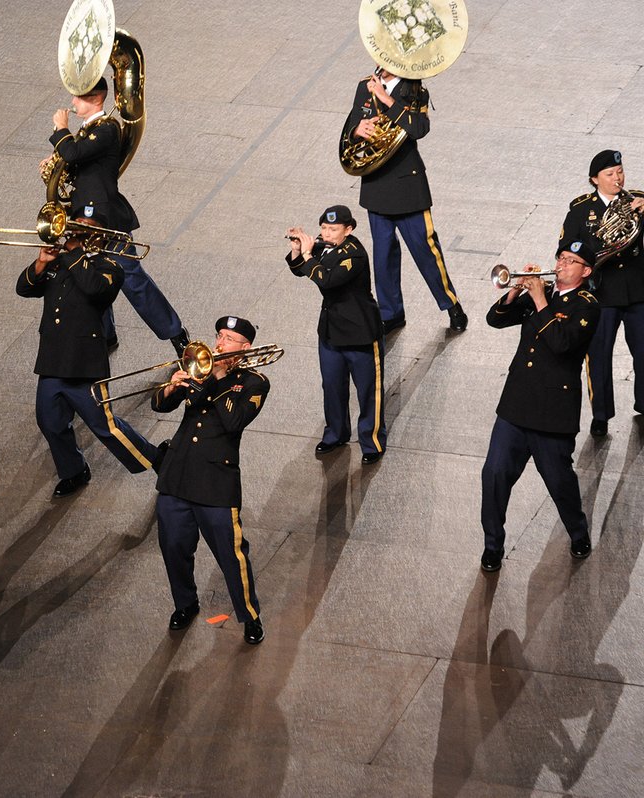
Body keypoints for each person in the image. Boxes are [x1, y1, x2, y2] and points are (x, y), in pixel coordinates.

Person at [479, 234, 601, 572]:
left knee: (559, 481)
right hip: (517, 405)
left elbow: (562, 345)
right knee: (494, 474)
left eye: (569, 261)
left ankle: (577, 533)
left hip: (552, 411)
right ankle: (492, 546)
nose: (560, 264)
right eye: (560, 258)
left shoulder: (587, 305)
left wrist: (539, 301)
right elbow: (496, 319)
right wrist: (517, 290)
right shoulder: (540, 294)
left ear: (585, 270)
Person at [45, 76, 188, 355]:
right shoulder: (89, 130)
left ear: (95, 99)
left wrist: (61, 130)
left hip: (106, 217)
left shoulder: (107, 128)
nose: (73, 102)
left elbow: (73, 154)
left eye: (78, 97)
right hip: (83, 218)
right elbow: (81, 166)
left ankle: (175, 332)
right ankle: (105, 335)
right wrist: (53, 164)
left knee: (133, 280)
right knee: (91, 278)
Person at [151, 316, 269, 645]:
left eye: (228, 338)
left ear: (244, 348)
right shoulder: (197, 369)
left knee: (232, 555)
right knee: (173, 547)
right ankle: (185, 603)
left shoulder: (254, 383)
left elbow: (234, 421)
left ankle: (250, 614)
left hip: (217, 482)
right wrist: (172, 386)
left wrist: (216, 378)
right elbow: (158, 405)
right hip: (178, 475)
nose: (219, 343)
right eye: (219, 335)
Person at [16, 235, 158, 496]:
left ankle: (156, 458)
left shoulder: (109, 268)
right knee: (50, 422)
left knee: (105, 426)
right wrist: (41, 262)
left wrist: (74, 254)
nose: (67, 236)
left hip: (84, 363)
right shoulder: (59, 263)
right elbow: (24, 289)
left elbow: (94, 289)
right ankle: (73, 470)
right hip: (52, 359)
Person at [344, 66, 467, 334]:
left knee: (426, 251)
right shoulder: (364, 85)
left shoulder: (415, 90)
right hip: (376, 183)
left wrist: (387, 99)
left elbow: (419, 128)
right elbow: (353, 122)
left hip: (407, 185)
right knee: (383, 255)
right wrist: (357, 130)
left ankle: (451, 304)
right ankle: (391, 313)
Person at [287, 205, 387, 463]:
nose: (326, 234)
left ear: (349, 229)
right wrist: (298, 250)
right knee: (332, 386)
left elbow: (326, 279)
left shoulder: (354, 255)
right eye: (323, 228)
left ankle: (372, 441)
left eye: (333, 229)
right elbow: (301, 269)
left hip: (360, 333)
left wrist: (308, 256)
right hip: (331, 332)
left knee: (368, 391)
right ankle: (336, 433)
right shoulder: (324, 246)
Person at [559, 149, 644, 437]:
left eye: (620, 171)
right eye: (610, 174)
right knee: (598, 356)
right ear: (595, 179)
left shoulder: (637, 202)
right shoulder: (581, 210)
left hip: (637, 290)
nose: (617, 177)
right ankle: (601, 415)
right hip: (601, 294)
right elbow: (566, 250)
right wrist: (599, 242)